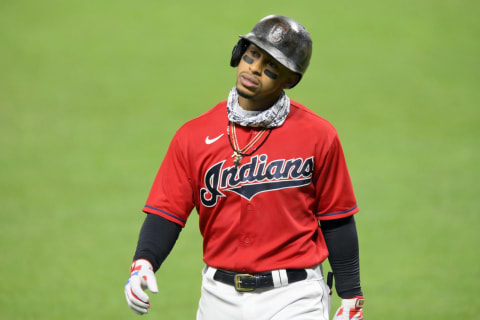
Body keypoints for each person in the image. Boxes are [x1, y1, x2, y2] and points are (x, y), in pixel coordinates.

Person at [124, 14, 365, 320]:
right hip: (218, 298)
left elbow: (337, 218)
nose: (254, 68)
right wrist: (143, 261)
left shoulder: (319, 135)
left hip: (296, 296)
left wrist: (351, 295)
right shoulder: (193, 135)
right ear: (239, 55)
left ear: (290, 79)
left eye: (271, 67)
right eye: (252, 56)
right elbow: (166, 212)